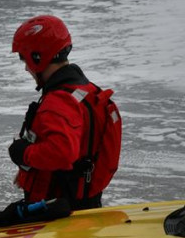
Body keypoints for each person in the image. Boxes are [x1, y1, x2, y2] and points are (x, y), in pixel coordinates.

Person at [8, 15, 121, 209]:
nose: (26, 68)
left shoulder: (59, 101)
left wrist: (24, 153)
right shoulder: (87, 91)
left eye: (24, 59)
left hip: (58, 212)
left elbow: (61, 153)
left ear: (37, 57)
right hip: (84, 205)